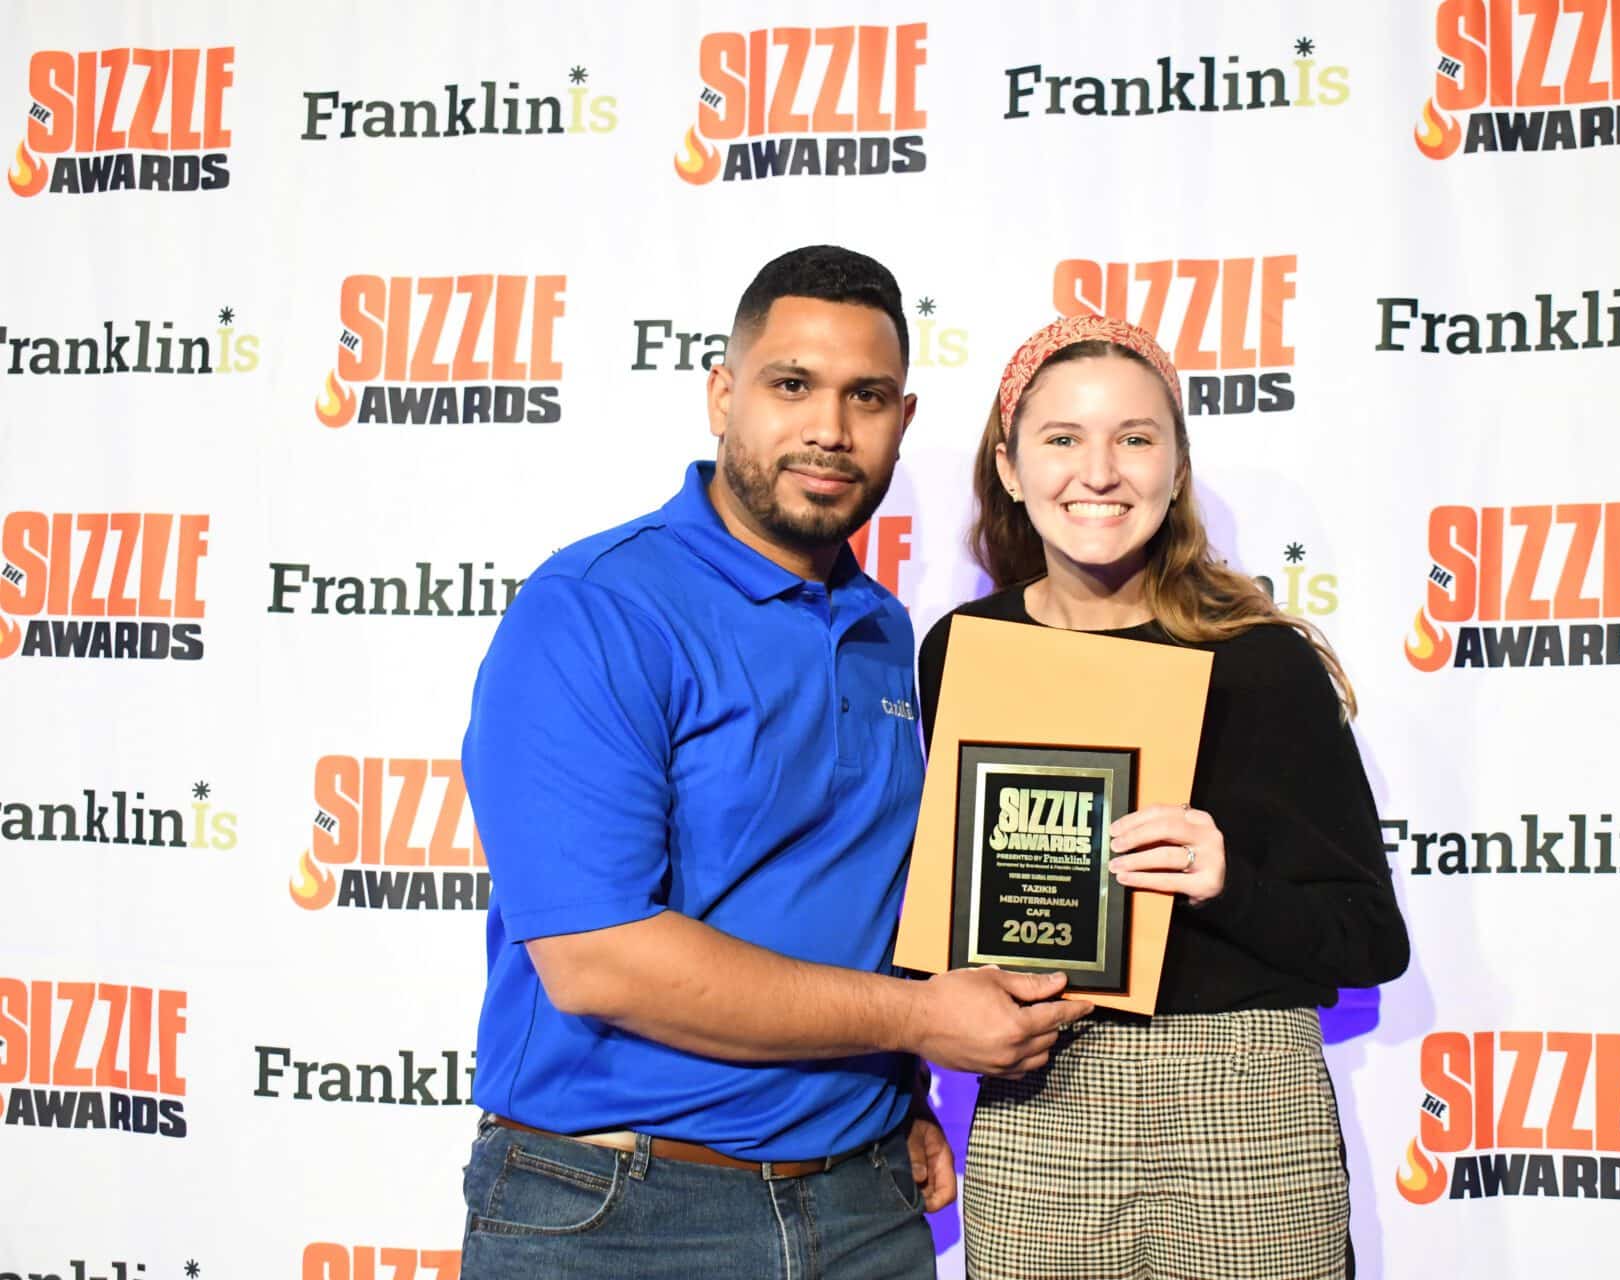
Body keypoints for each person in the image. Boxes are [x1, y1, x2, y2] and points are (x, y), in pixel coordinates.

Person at [457, 246, 1091, 1280]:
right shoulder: (596, 608)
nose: (830, 428)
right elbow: (598, 957)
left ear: (903, 419)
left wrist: (901, 1090)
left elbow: (852, 888)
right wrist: (920, 1023)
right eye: (792, 384)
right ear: (723, 393)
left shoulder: (884, 627)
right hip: (621, 1215)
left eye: (866, 396)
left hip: (865, 1203)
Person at [917, 314, 1410, 1280]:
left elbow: (1369, 942)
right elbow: (943, 897)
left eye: (1135, 439)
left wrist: (1229, 883)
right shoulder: (963, 651)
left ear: (1177, 467)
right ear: (1010, 468)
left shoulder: (1262, 662)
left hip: (1247, 1100)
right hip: (1041, 1095)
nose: (1099, 473)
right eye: (1063, 438)